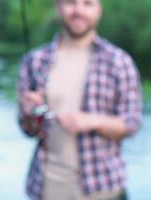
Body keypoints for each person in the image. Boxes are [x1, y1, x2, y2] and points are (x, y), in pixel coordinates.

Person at [17, 0, 142, 199]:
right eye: (71, 2)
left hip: (105, 189)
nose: (78, 10)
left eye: (87, 3)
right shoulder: (33, 60)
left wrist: (92, 121)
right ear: (58, 6)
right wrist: (29, 113)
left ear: (99, 9)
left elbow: (132, 124)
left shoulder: (119, 62)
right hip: (45, 188)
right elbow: (28, 129)